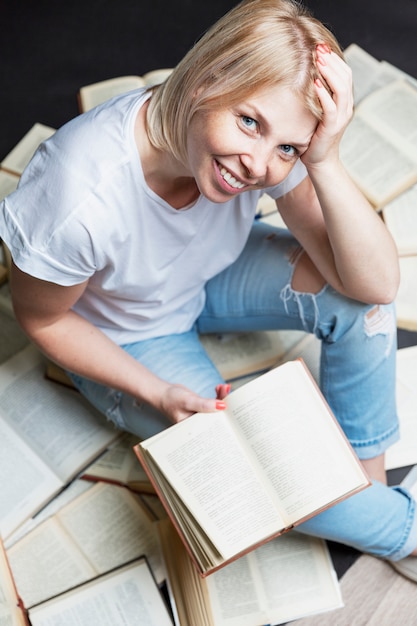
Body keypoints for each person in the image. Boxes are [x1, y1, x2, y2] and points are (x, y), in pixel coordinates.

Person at [1, 0, 417, 580]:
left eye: (288, 148)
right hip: (131, 337)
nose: (258, 166)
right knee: (246, 469)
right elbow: (43, 320)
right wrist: (157, 392)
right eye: (249, 123)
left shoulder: (268, 137)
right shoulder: (77, 193)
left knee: (363, 308)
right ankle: (403, 532)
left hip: (203, 277)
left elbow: (376, 286)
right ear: (207, 77)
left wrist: (322, 157)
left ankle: (363, 488)